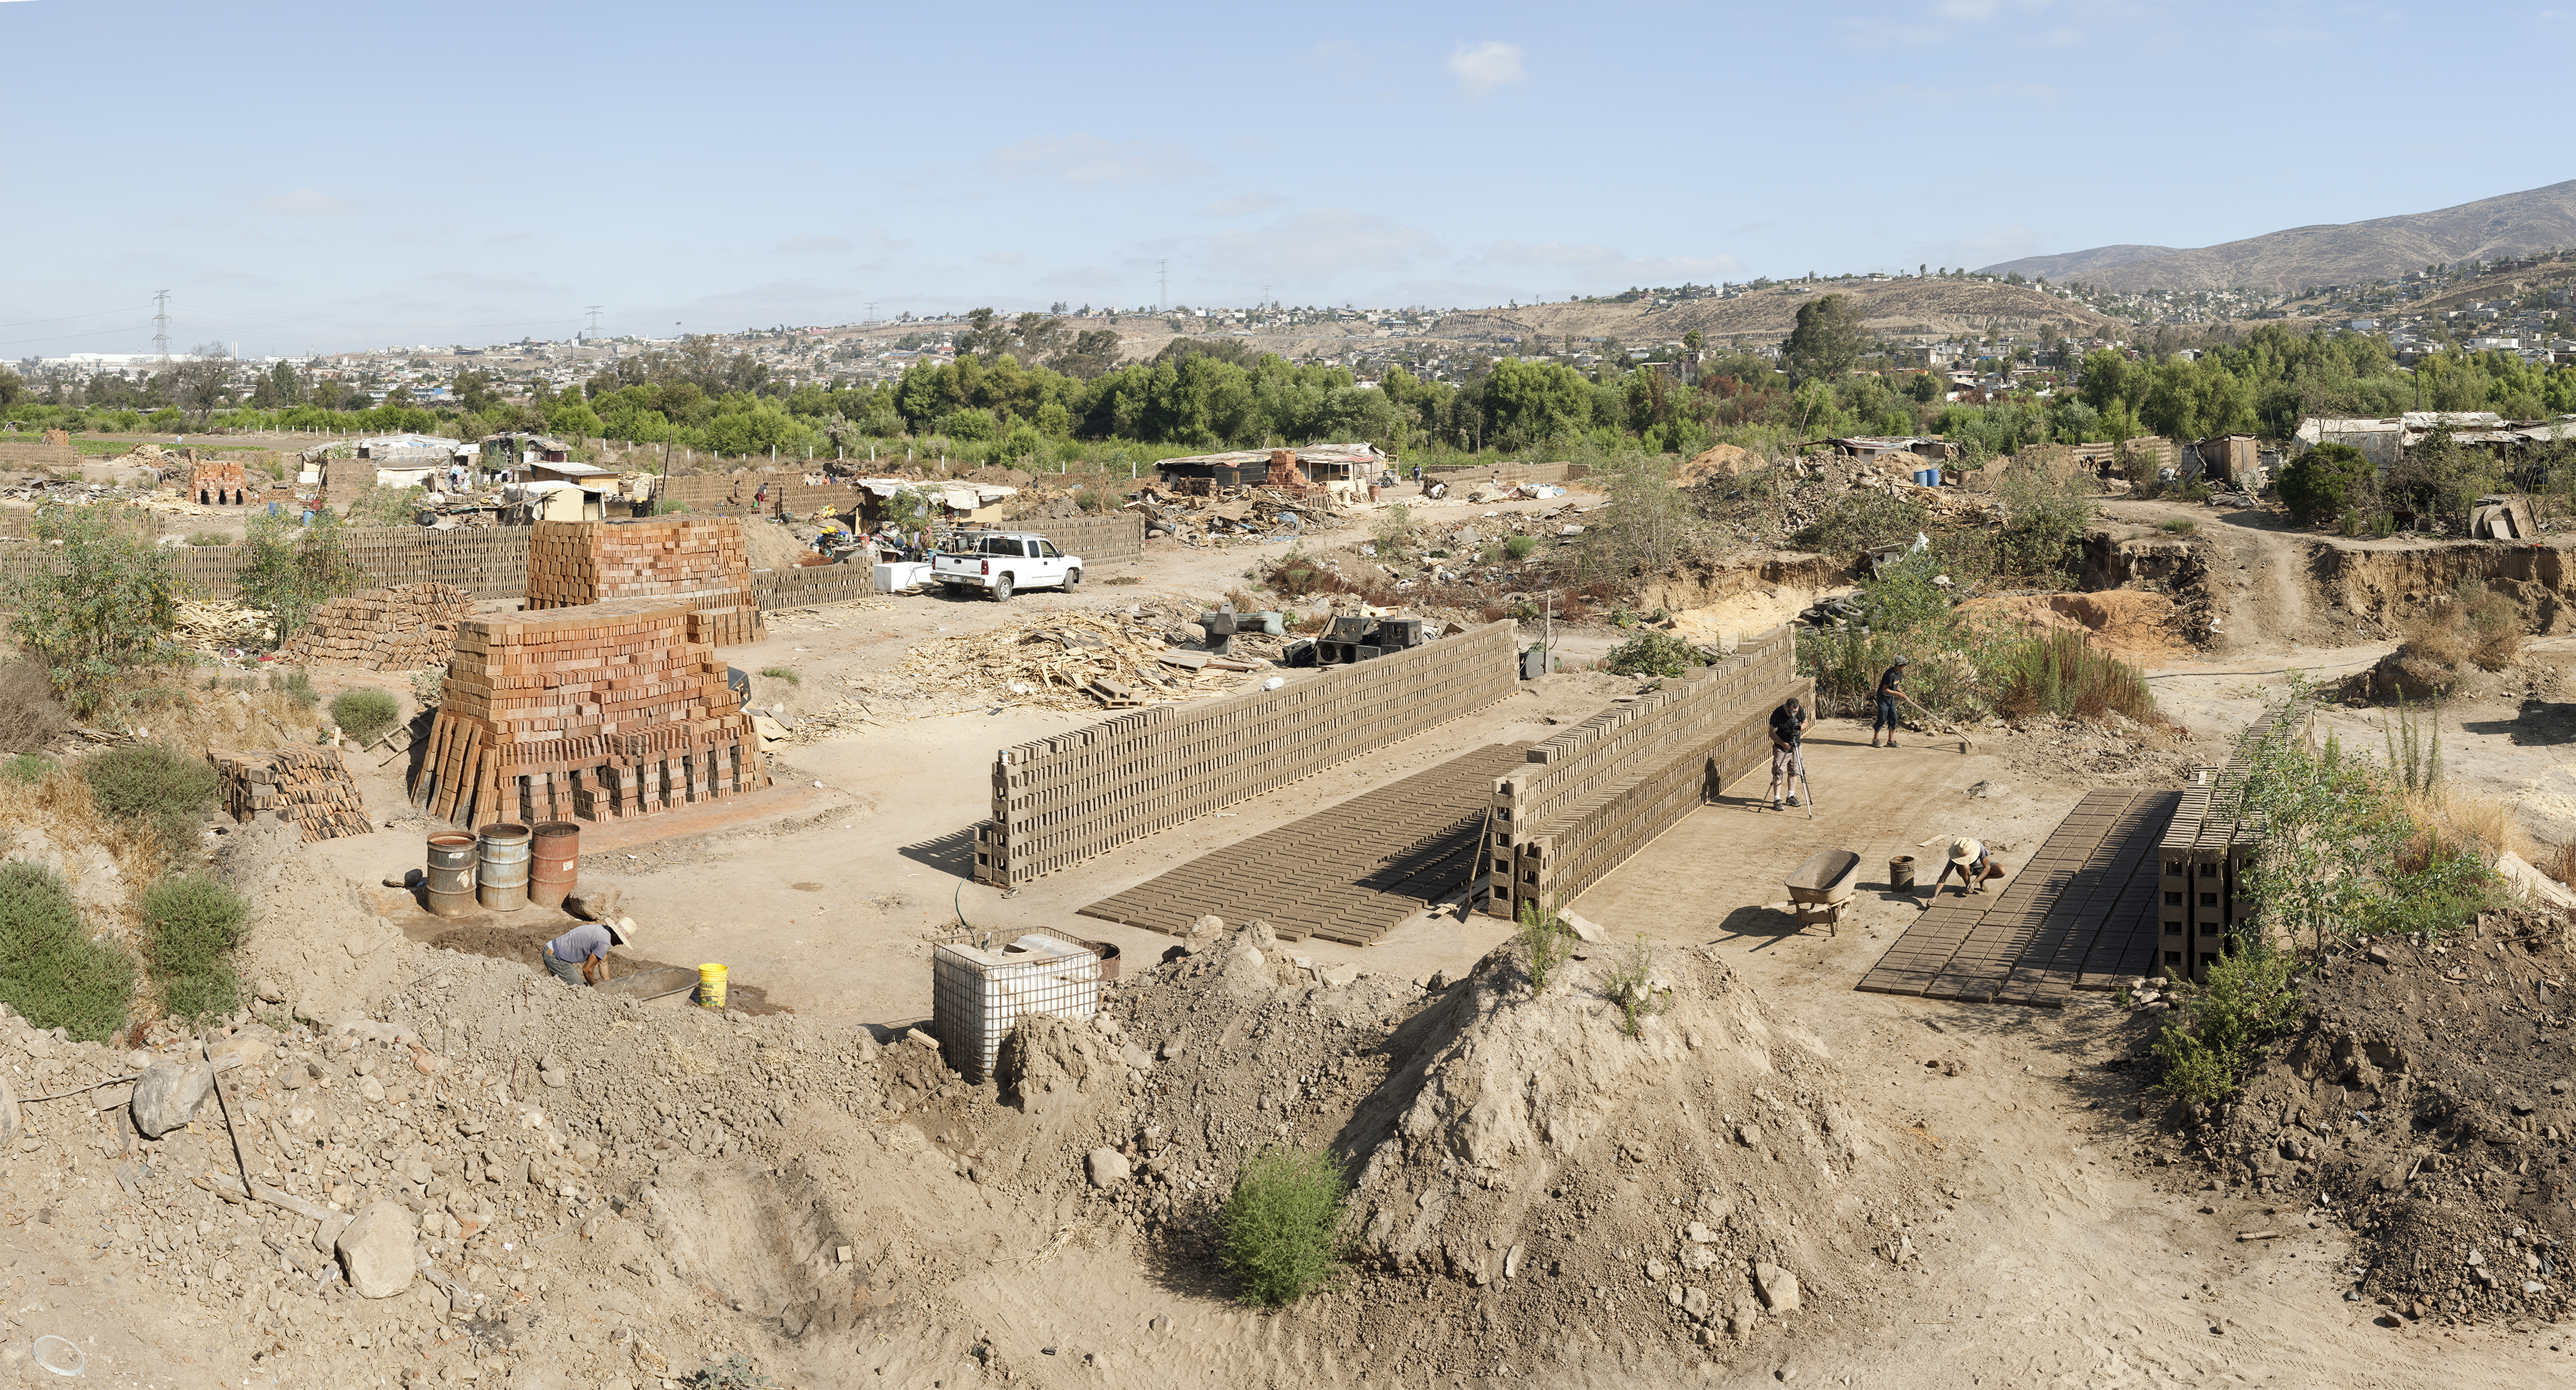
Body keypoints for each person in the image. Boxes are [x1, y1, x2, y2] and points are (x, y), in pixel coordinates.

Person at [542, 918, 635, 987]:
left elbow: (603, 963)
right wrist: (595, 988)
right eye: (622, 940)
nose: (621, 943)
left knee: (575, 986)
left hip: (553, 949)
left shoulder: (604, 931)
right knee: (579, 989)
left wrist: (608, 986)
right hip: (555, 956)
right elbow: (587, 970)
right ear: (616, 935)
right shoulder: (604, 943)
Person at [1766, 694, 1807, 812]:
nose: (1795, 713)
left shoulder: (1799, 709)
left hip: (1795, 747)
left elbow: (1805, 722)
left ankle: (1790, 797)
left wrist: (1799, 728)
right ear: (1786, 708)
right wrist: (1783, 743)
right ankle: (1777, 799)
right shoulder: (1777, 714)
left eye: (1796, 711)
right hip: (1782, 748)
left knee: (1794, 771)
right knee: (1778, 773)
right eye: (1792, 712)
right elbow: (1771, 733)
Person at [1926, 837, 2004, 898]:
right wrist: (1934, 897)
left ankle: (1981, 879)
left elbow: (1987, 867)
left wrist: (1975, 882)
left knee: (2002, 871)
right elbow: (1943, 878)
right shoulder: (1955, 855)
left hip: (1979, 865)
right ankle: (1968, 886)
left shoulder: (1979, 847)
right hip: (1964, 869)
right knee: (1964, 866)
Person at [1873, 655, 1922, 747]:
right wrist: (1898, 694)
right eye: (1903, 666)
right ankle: (1875, 740)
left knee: (1894, 718)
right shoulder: (1889, 674)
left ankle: (1890, 741)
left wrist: (1903, 694)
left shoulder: (1899, 673)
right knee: (1882, 718)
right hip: (1883, 698)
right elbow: (1885, 690)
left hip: (1890, 698)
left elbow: (1897, 685)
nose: (1904, 668)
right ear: (1898, 666)